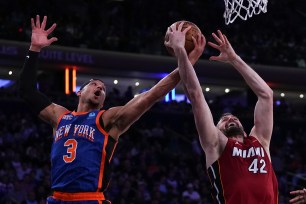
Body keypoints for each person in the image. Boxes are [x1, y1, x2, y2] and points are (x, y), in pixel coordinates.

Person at [19, 16, 205, 203]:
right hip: (58, 199)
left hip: (89, 199)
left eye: (103, 88)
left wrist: (188, 61)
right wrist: (34, 49)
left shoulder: (107, 119)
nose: (99, 88)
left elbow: (152, 94)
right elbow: (27, 91)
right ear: (79, 92)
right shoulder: (59, 116)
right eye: (94, 84)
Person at [165, 24, 278, 203]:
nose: (230, 118)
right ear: (216, 129)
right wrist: (180, 52)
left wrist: (234, 58)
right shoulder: (216, 144)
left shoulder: (260, 142)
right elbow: (195, 94)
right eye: (223, 120)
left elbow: (266, 95)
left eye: (233, 117)